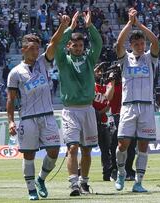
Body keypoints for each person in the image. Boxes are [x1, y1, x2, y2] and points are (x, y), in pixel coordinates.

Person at [6, 15, 70, 200]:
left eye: (37, 48)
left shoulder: (43, 62)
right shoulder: (15, 73)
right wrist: (11, 121)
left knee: (54, 150)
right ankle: (31, 190)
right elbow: (10, 99)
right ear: (23, 50)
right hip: (27, 119)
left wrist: (63, 26)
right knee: (29, 156)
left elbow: (53, 43)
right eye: (32, 49)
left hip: (47, 116)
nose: (36, 52)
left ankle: (41, 179)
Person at [54, 10, 102, 196]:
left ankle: (84, 183)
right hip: (70, 110)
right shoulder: (63, 61)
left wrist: (90, 26)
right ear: (69, 46)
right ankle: (73, 184)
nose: (78, 48)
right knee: (72, 147)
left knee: (87, 150)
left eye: (81, 45)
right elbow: (56, 46)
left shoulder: (89, 59)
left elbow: (98, 43)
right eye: (74, 45)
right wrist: (69, 28)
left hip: (88, 110)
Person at [114, 8, 159, 193]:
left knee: (143, 146)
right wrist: (129, 23)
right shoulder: (125, 59)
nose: (141, 46)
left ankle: (139, 182)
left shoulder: (150, 59)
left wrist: (139, 24)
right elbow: (118, 44)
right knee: (122, 144)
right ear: (131, 44)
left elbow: (155, 42)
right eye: (137, 44)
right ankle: (121, 173)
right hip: (129, 107)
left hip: (147, 107)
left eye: (142, 43)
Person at [92, 63, 114, 181]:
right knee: (86, 148)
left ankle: (107, 174)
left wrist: (100, 113)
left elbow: (108, 103)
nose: (100, 73)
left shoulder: (107, 86)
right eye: (98, 71)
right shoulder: (91, 84)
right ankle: (80, 174)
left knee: (106, 150)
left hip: (103, 121)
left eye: (102, 71)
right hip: (91, 121)